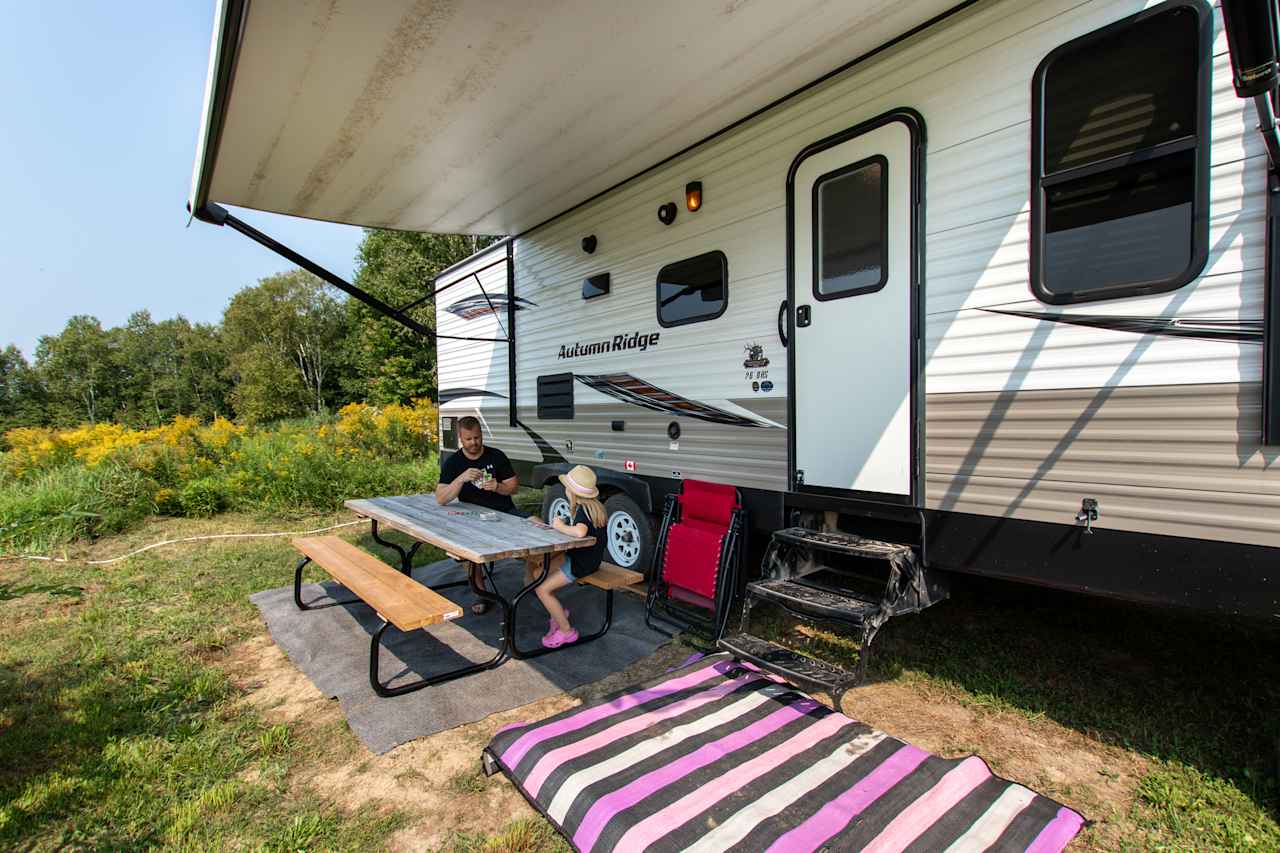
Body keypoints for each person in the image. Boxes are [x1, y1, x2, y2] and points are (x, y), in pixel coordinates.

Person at [436, 416, 525, 614]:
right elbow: (441, 498)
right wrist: (461, 479)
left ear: (481, 434)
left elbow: (514, 487)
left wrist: (498, 486)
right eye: (469, 439)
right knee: (471, 550)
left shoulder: (496, 456)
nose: (474, 443)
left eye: (477, 437)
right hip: (471, 516)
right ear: (460, 438)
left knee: (535, 527)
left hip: (504, 511)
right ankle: (482, 593)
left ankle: (534, 582)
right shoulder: (454, 462)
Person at [523, 465, 606, 649]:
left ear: (573, 492)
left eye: (567, 488)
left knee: (542, 589)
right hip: (584, 557)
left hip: (580, 563)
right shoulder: (595, 508)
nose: (566, 491)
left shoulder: (584, 510)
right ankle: (558, 612)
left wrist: (560, 526)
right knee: (538, 573)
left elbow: (579, 533)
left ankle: (567, 631)